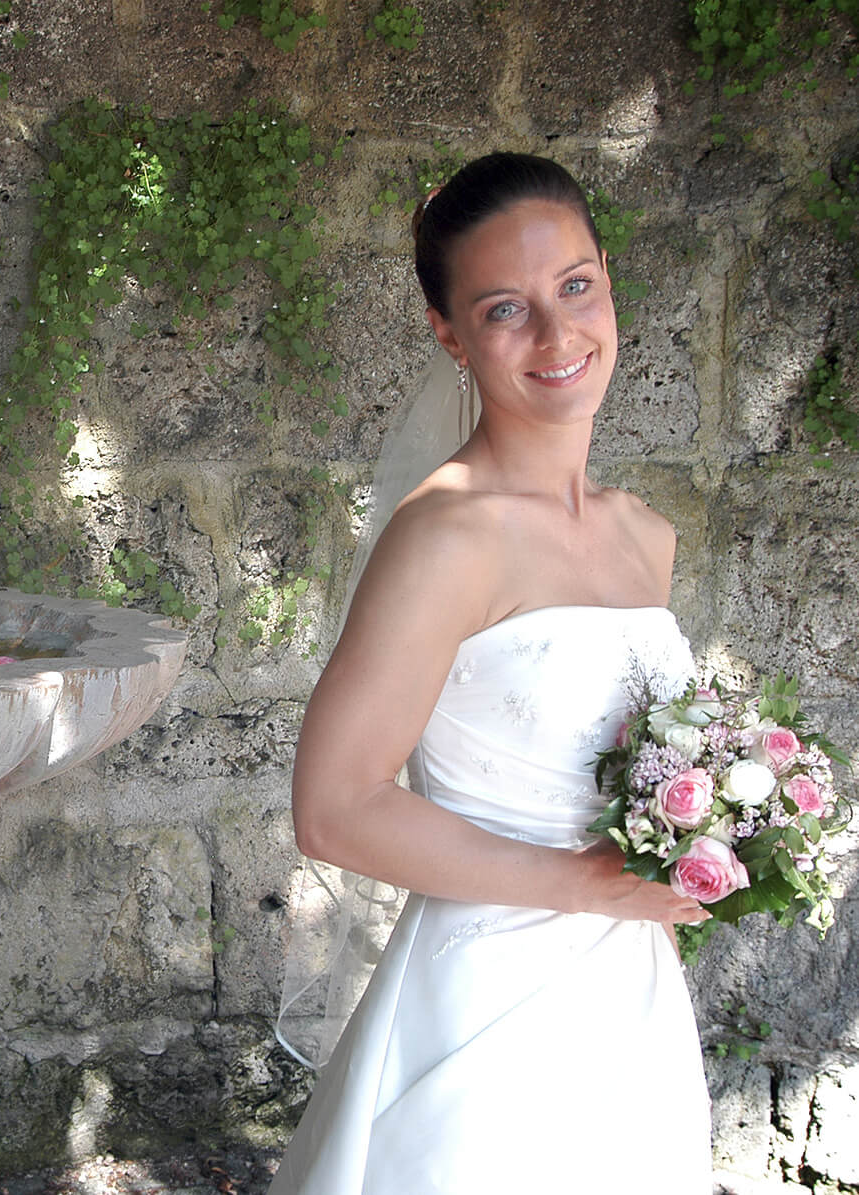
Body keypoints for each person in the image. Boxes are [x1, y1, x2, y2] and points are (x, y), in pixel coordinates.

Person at [268, 153, 714, 1194]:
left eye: (575, 287)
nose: (558, 337)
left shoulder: (645, 539)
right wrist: (584, 887)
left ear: (608, 277)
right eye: (507, 309)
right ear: (448, 334)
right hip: (482, 1012)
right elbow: (334, 810)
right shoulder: (446, 539)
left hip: (632, 1000)